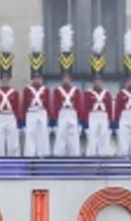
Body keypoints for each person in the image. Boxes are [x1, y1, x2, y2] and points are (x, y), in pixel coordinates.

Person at [0, 26, 22, 157]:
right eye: (3, 78)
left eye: (7, 78)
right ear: (0, 78)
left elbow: (18, 108)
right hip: (0, 116)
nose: (5, 80)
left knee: (13, 144)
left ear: (10, 78)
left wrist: (20, 123)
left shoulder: (14, 92)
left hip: (11, 116)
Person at [52, 25, 83, 157]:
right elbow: (54, 107)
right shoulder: (57, 90)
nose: (66, 79)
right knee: (60, 141)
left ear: (71, 78)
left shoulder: (75, 91)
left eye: (68, 77)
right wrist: (53, 122)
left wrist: (81, 121)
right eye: (64, 77)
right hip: (62, 114)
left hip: (73, 114)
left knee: (73, 142)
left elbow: (80, 107)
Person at [82, 27, 113, 158]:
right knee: (92, 144)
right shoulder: (88, 93)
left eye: (99, 80)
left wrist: (112, 124)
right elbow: (85, 109)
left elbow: (110, 109)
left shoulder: (106, 93)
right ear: (93, 81)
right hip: (93, 116)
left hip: (104, 117)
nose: (98, 82)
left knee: (104, 143)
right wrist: (85, 124)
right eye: (96, 80)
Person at [23, 26, 52, 158]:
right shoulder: (27, 90)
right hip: (31, 112)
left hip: (41, 112)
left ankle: (42, 159)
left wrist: (51, 121)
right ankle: (30, 160)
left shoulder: (45, 90)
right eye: (35, 77)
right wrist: (21, 122)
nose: (36, 79)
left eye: (38, 77)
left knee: (42, 137)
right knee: (30, 137)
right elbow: (23, 106)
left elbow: (49, 106)